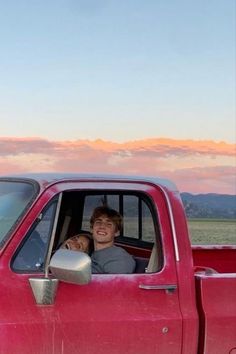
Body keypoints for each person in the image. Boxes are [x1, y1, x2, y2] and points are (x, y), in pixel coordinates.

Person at [90, 206, 136, 274]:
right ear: (91, 229)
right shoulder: (90, 253)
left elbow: (116, 283)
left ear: (116, 232)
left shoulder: (119, 258)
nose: (102, 226)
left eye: (109, 224)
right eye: (98, 222)